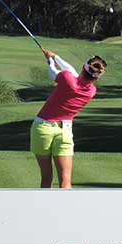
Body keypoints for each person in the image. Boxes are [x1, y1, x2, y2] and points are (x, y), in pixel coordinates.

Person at [30, 49, 107, 189]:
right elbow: (72, 72)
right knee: (66, 181)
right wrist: (55, 56)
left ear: (83, 67)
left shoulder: (66, 78)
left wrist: (50, 60)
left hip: (43, 128)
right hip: (65, 132)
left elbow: (54, 72)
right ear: (96, 78)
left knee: (46, 178)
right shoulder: (91, 91)